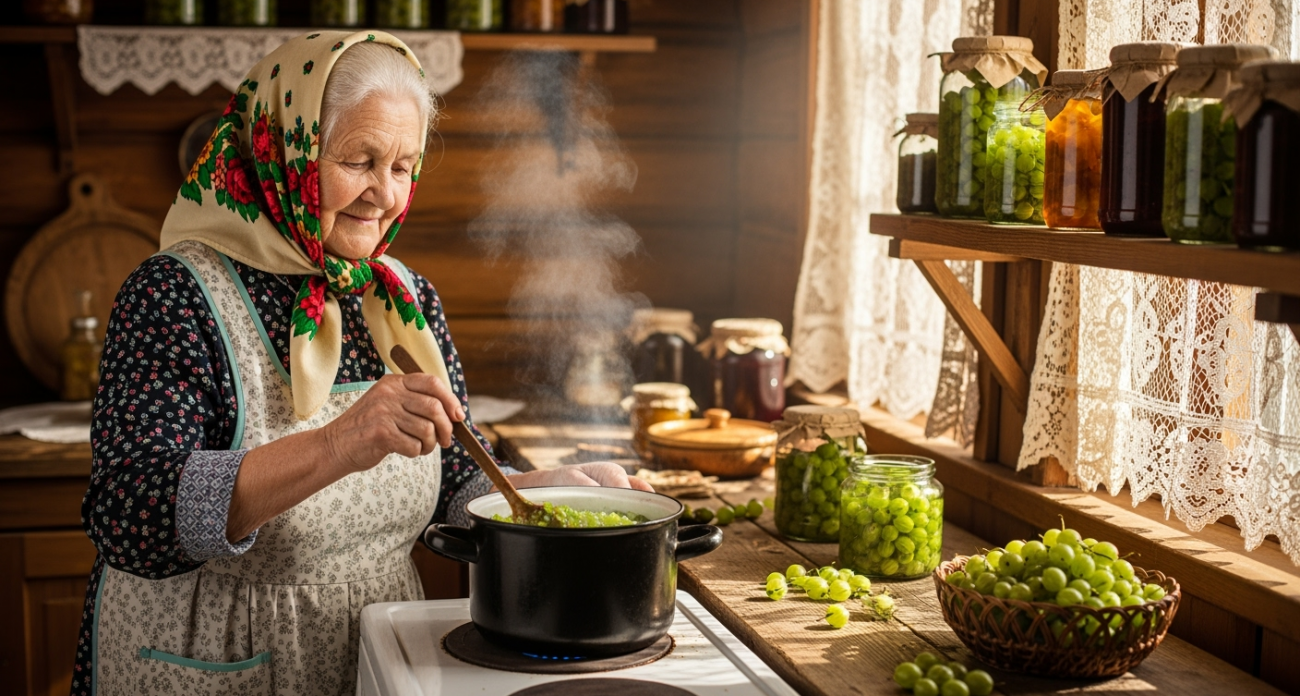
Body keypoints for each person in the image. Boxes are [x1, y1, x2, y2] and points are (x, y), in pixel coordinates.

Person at [72, 31, 650, 696]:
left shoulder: (402, 296)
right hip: (210, 660)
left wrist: (553, 489)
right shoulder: (173, 293)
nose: (385, 193)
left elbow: (455, 476)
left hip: (376, 655)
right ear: (283, 151)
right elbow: (131, 512)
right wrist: (343, 441)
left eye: (403, 166)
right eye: (360, 160)